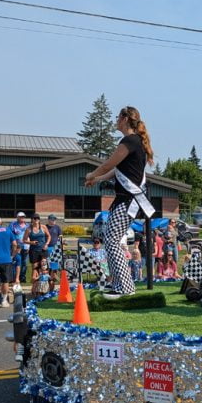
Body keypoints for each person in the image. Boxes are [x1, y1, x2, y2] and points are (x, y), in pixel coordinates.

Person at [85, 106, 155, 299]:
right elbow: (117, 171)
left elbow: (109, 163)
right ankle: (119, 284)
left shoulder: (130, 141)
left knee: (112, 240)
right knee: (111, 240)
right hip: (125, 199)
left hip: (128, 200)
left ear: (125, 119)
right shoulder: (135, 142)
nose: (116, 120)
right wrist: (98, 179)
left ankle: (125, 286)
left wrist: (92, 174)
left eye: (118, 117)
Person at [9, 211, 30, 286]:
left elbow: (29, 236)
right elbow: (10, 234)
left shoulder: (28, 225)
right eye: (20, 217)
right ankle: (14, 278)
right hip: (16, 246)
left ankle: (22, 278)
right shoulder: (13, 224)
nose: (22, 218)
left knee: (24, 263)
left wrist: (29, 246)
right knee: (16, 261)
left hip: (25, 246)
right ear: (17, 217)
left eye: (23, 217)